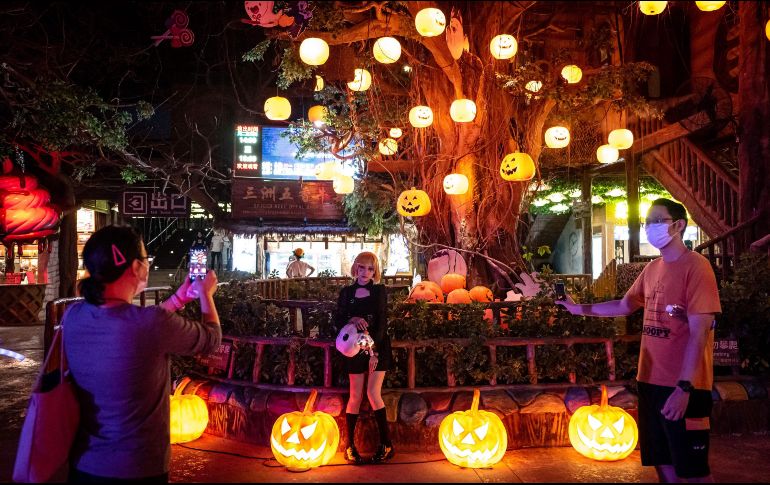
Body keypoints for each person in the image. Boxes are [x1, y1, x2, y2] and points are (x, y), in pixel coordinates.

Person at [556, 198, 720, 483]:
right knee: (662, 462)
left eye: (657, 220)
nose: (649, 227)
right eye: (647, 222)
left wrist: (684, 388)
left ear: (678, 225)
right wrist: (577, 308)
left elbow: (699, 333)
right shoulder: (652, 269)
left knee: (691, 469)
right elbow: (624, 305)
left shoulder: (697, 267)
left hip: (683, 386)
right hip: (650, 381)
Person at [62, 225, 222, 483]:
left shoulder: (74, 316)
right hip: (137, 466)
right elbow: (211, 340)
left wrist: (178, 300)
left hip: (84, 463)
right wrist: (206, 295)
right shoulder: (150, 324)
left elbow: (136, 325)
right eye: (146, 259)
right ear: (136, 267)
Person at [334, 251, 394, 464]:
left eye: (370, 268)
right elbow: (338, 317)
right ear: (355, 268)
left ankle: (387, 445)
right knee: (355, 396)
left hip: (377, 348)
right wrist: (353, 317)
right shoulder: (346, 292)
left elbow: (382, 321)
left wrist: (374, 352)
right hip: (353, 349)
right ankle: (350, 447)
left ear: (375, 271)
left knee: (373, 393)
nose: (365, 272)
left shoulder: (379, 291)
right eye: (362, 267)